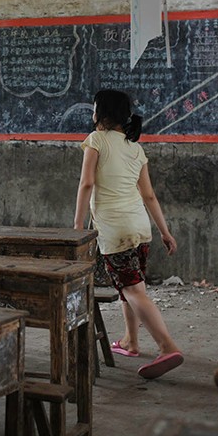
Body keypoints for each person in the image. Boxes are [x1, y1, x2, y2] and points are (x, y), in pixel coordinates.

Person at [73, 89, 183, 379]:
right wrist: (165, 231)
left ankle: (166, 346)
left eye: (94, 108)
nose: (92, 113)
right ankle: (130, 342)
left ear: (102, 114)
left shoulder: (96, 141)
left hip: (115, 229)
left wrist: (77, 226)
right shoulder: (135, 148)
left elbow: (86, 184)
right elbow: (149, 196)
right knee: (133, 288)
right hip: (140, 228)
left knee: (132, 289)